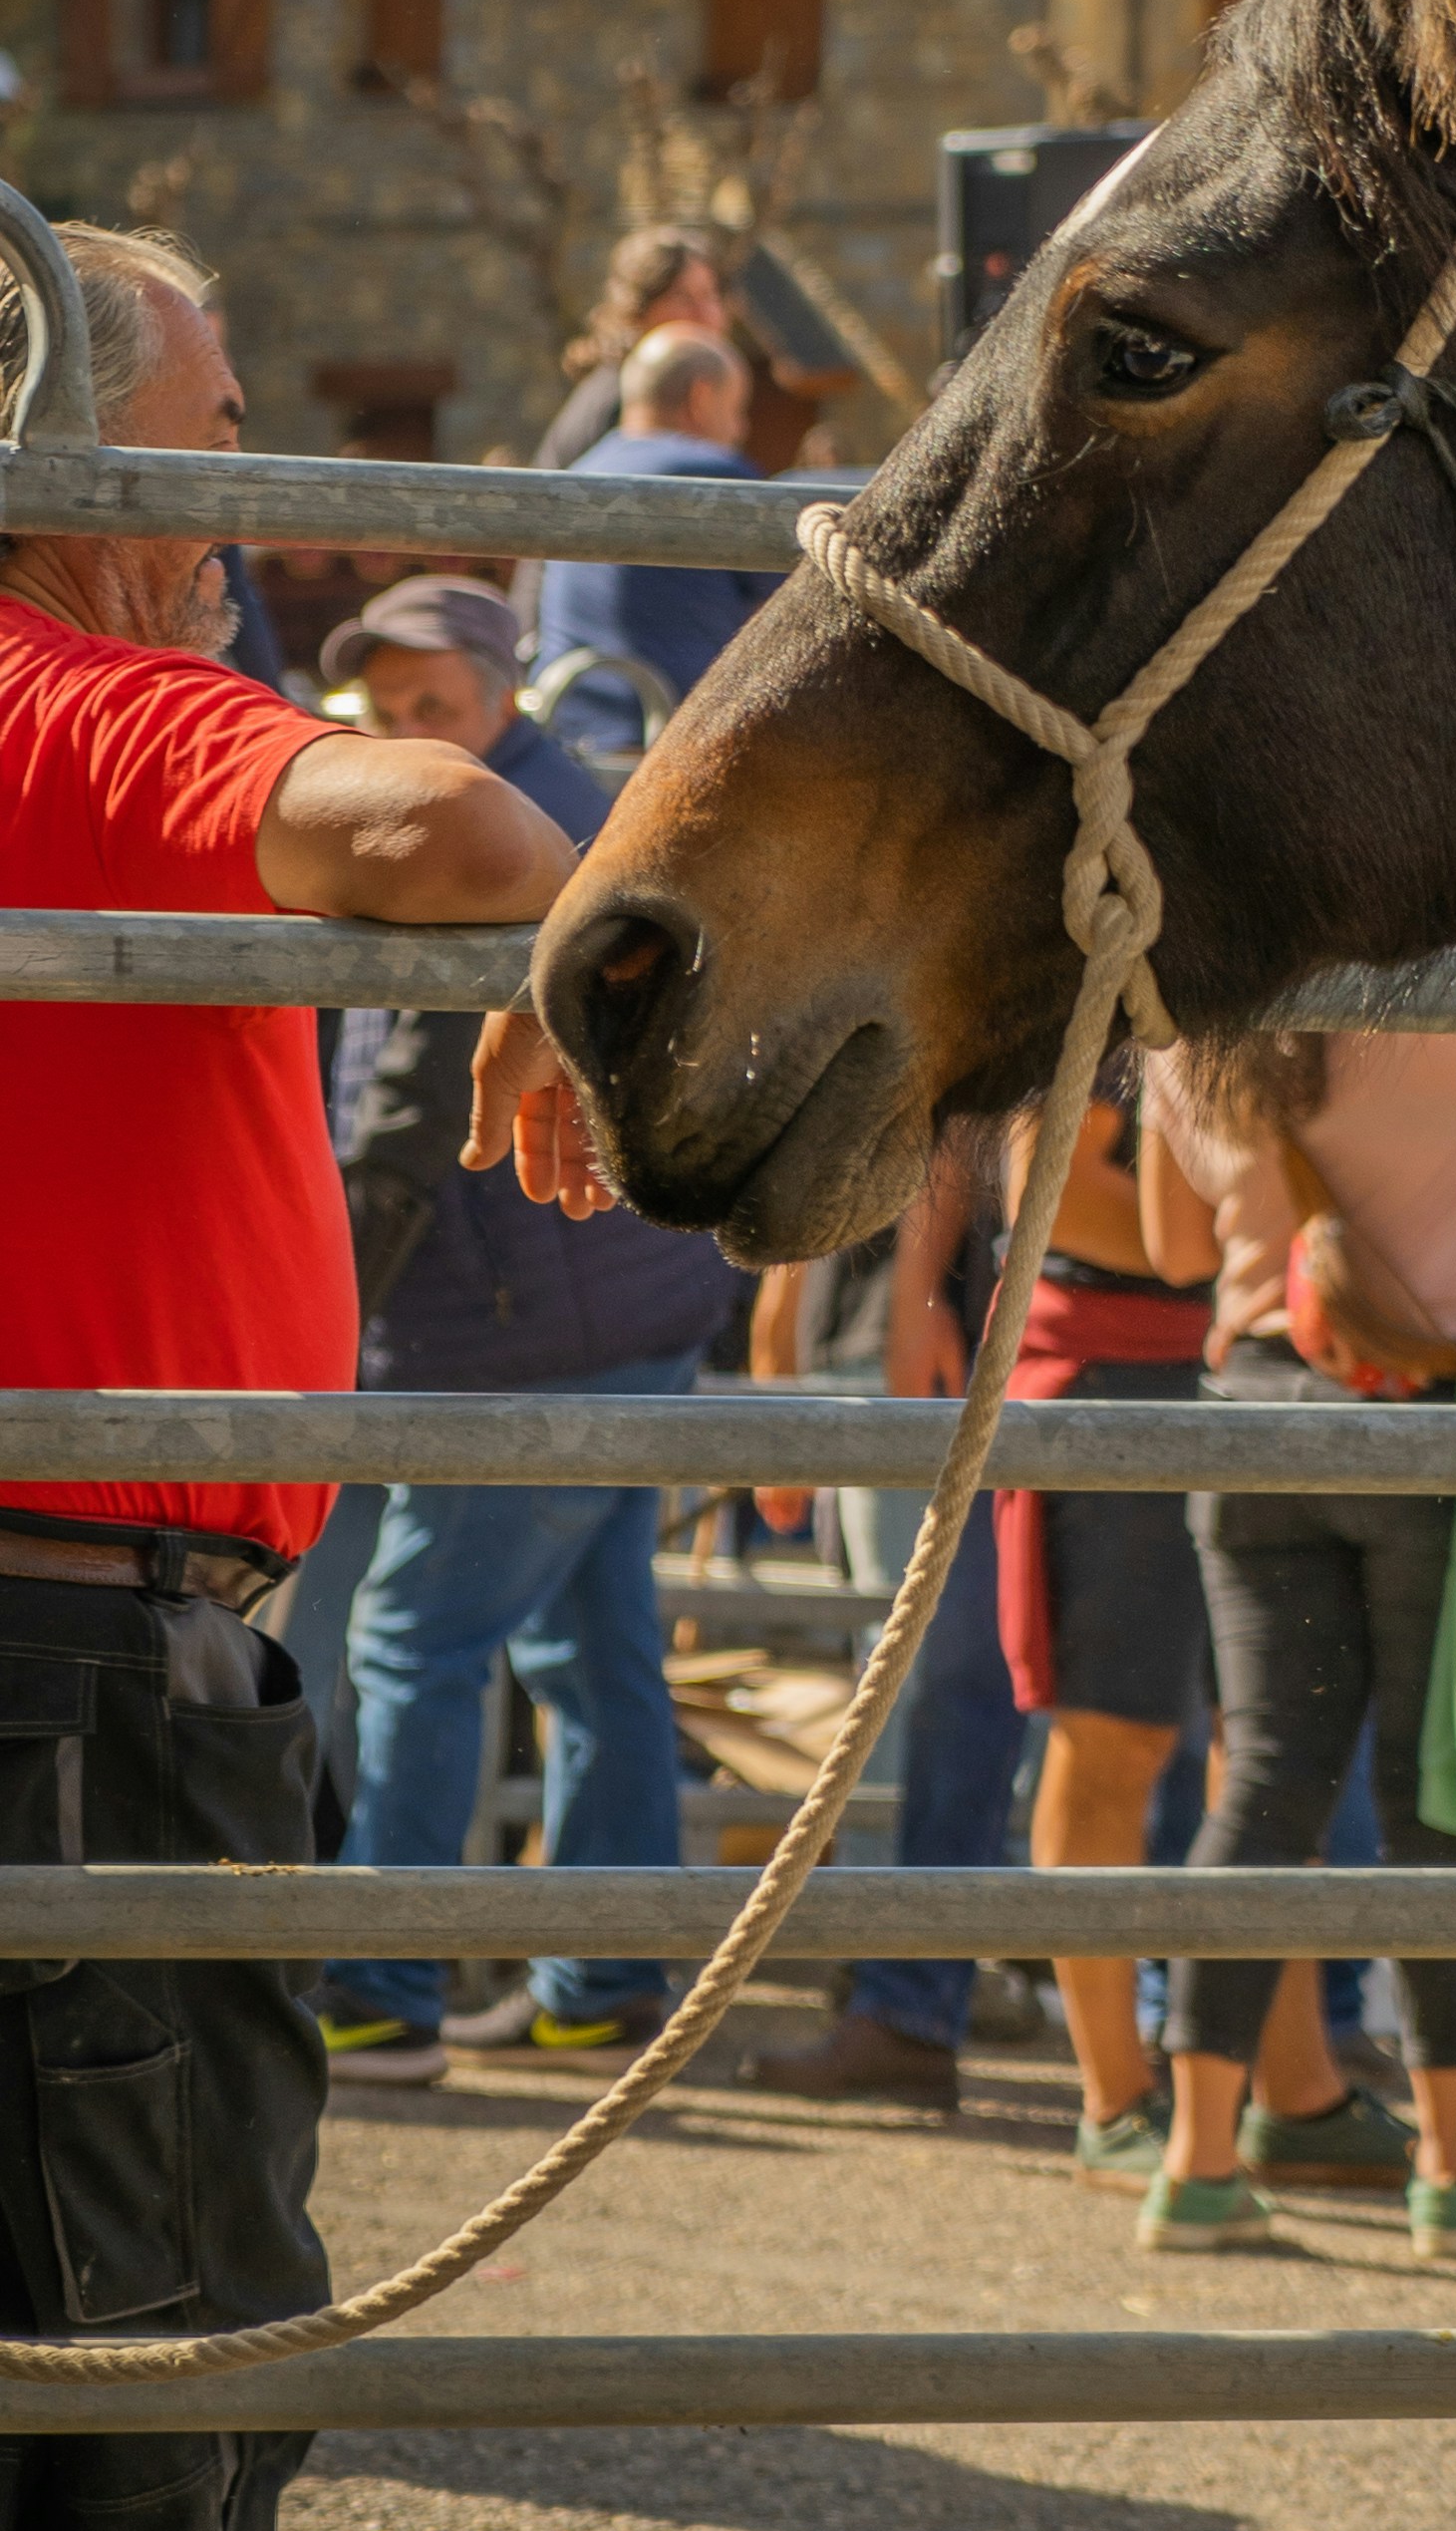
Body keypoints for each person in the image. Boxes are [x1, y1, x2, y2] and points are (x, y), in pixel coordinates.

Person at [0, 226, 587, 2531]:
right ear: (61, 441)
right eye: (213, 425)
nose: (247, 485)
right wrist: (564, 940)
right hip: (74, 1663)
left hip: (106, 1636)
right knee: (146, 2374)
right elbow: (440, 828)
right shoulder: (59, 694)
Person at [308, 578, 740, 2082]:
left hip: (516, 1320)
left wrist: (326, 1301)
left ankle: (377, 1987)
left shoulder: (484, 847)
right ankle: (601, 1976)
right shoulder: (565, 815)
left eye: (437, 704)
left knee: (414, 1640)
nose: (409, 730)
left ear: (503, 689)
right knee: (591, 1638)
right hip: (607, 1302)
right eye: (388, 706)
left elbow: (411, 1115)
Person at [1138, 1032, 1456, 2258]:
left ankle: (1194, 2163)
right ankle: (1451, 2175)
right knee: (1430, 1797)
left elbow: (1176, 1251)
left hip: (1251, 1414)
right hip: (1422, 1415)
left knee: (1265, 1783)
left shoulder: (1190, 1031)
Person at [740, 1148, 1034, 2106]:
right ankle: (900, 1977)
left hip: (895, 1330)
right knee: (898, 1676)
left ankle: (903, 1982)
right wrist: (781, 1350)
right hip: (867, 1327)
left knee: (907, 1684)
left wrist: (908, 1298)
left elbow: (944, 1122)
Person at [990, 1066, 1221, 2189]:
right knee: (1110, 1738)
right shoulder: (1111, 984)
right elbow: (1050, 1193)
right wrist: (1238, 1241)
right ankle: (1114, 2095)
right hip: (1115, 1376)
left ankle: (1280, 2086)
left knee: (1267, 1752)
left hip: (1247, 1369)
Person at [534, 325, 783, 757]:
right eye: (738, 408)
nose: (741, 428)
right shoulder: (714, 474)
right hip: (668, 749)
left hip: (564, 734)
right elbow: (786, 613)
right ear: (701, 397)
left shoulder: (583, 470)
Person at [532, 221, 728, 474]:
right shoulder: (627, 396)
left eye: (709, 296)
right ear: (637, 311)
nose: (705, 315)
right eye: (683, 299)